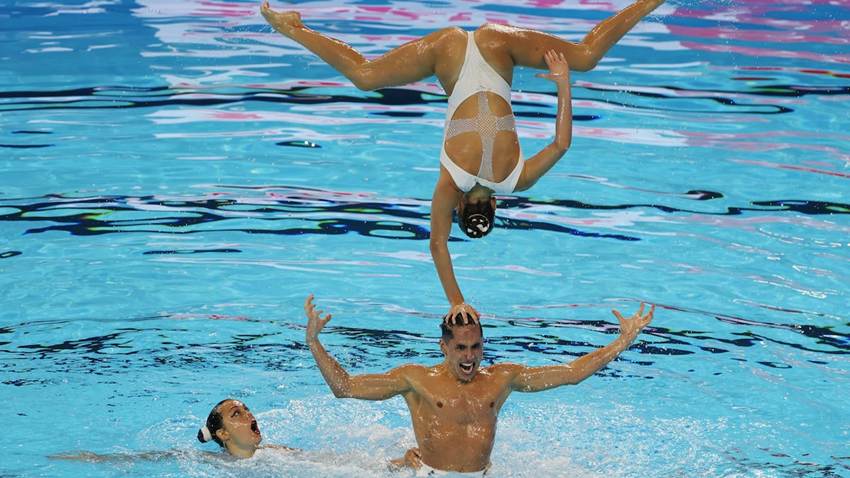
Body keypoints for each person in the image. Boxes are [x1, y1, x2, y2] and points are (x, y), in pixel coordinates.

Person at [262, 0, 665, 322]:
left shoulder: (516, 179)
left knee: (587, 56)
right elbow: (437, 244)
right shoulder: (450, 183)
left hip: (497, 48)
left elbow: (561, 144)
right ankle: (294, 28)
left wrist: (563, 83)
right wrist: (457, 301)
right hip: (449, 55)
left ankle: (648, 3)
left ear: (495, 205)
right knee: (365, 75)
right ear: (459, 207)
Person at [304, 294, 655, 474]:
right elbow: (344, 387)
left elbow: (571, 373)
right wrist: (314, 342)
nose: (470, 356)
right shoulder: (415, 379)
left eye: (476, 346)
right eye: (461, 348)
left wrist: (623, 340)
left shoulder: (502, 379)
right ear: (444, 347)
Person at [50, 399, 294, 462]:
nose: (249, 415)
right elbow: (146, 458)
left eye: (246, 409)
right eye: (236, 414)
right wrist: (94, 458)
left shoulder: (280, 453)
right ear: (223, 434)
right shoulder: (209, 462)